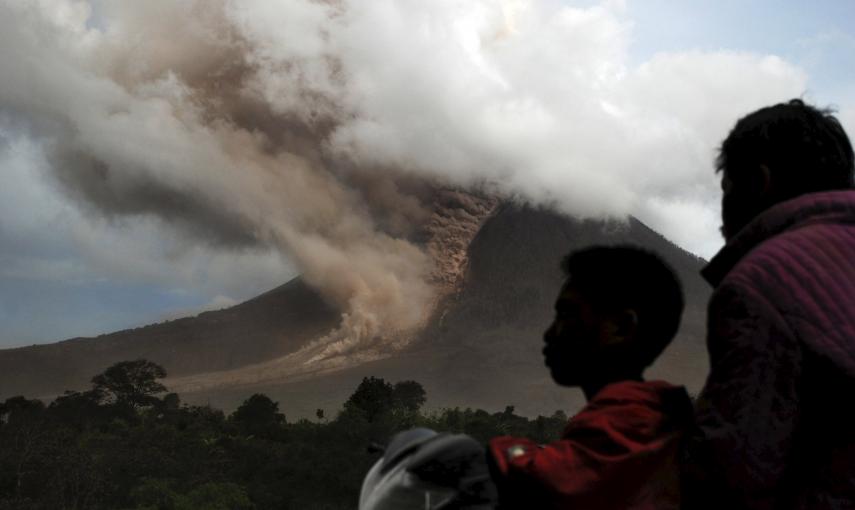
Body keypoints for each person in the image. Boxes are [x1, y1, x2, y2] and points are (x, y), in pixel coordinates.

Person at [683, 99, 855, 509]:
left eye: (726, 192)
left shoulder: (763, 281)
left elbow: (733, 473)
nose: (721, 217)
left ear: (760, 182)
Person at [488, 245, 692, 509]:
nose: (549, 333)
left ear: (621, 328)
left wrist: (500, 449)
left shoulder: (629, 422)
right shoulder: (656, 415)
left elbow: (544, 482)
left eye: (566, 314)